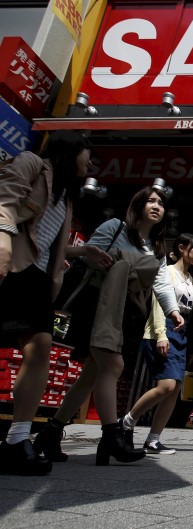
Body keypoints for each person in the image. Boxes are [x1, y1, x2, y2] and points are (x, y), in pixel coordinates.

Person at [32, 186, 185, 466]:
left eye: (161, 203)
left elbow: (161, 282)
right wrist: (96, 255)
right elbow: (87, 253)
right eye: (150, 200)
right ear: (137, 204)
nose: (156, 206)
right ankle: (113, 436)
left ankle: (50, 433)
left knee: (91, 375)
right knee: (112, 366)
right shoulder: (115, 227)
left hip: (126, 312)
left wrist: (173, 310)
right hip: (99, 304)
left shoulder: (157, 247)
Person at [0, 131, 102, 475]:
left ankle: (16, 439)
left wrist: (83, 250)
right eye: (86, 154)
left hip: (38, 279)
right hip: (11, 266)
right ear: (70, 150)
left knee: (39, 348)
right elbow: (4, 200)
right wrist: (2, 240)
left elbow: (46, 241)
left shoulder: (66, 197)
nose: (90, 163)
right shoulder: (31, 163)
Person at [119, 233, 193, 455]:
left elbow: (190, 311)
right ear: (181, 248)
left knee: (174, 388)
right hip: (164, 330)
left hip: (182, 333)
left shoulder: (190, 280)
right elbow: (158, 304)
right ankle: (127, 421)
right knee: (166, 385)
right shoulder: (167, 271)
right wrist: (161, 334)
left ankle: (153, 439)